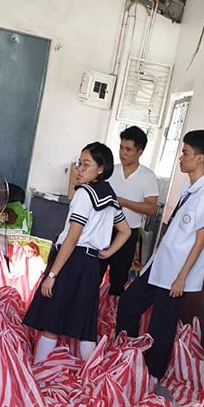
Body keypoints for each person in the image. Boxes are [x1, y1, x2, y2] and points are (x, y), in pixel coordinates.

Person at [116, 129, 204, 383]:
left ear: (200, 158)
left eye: (185, 153)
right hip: (161, 265)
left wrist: (182, 277)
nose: (180, 158)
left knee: (161, 325)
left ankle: (152, 377)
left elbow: (201, 238)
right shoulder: (189, 189)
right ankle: (129, 355)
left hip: (176, 274)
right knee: (129, 302)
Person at [24, 142, 130, 363]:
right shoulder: (110, 196)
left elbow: (72, 238)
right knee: (84, 325)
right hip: (91, 265)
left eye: (86, 165)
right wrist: (107, 252)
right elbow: (125, 231)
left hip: (72, 260)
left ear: (101, 168)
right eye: (79, 164)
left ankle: (37, 370)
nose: (79, 169)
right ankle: (93, 376)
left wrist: (52, 275)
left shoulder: (85, 194)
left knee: (52, 320)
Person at [101, 126, 158, 295]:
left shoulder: (147, 176)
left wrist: (124, 202)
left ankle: (111, 307)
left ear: (140, 152)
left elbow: (151, 208)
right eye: (121, 148)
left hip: (128, 234)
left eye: (128, 149)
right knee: (94, 272)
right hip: (104, 229)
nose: (123, 153)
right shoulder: (111, 171)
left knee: (118, 278)